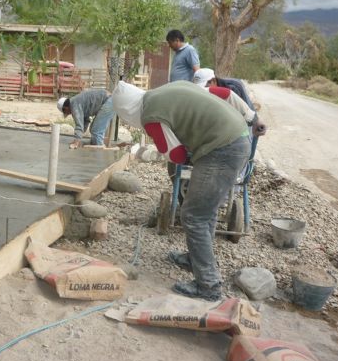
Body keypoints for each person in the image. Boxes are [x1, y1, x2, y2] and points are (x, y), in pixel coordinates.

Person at [112, 80, 267, 301]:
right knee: (206, 210)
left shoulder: (151, 115)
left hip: (222, 149)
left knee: (193, 215)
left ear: (128, 111)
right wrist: (252, 117)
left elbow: (176, 155)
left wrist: (159, 153)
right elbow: (222, 93)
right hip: (238, 136)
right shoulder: (168, 88)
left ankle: (209, 285)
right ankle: (196, 260)